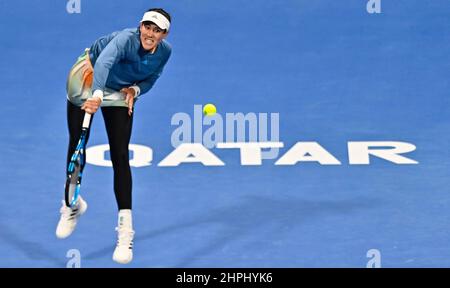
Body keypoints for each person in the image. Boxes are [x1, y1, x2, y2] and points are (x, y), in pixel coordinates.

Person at [55, 8, 172, 264]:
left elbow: (152, 77)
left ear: (164, 34)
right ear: (140, 26)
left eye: (157, 30)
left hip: (119, 91)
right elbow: (105, 62)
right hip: (87, 78)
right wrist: (96, 94)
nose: (150, 34)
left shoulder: (164, 53)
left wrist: (136, 89)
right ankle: (71, 204)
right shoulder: (125, 39)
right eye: (147, 27)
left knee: (120, 154)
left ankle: (125, 230)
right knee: (76, 141)